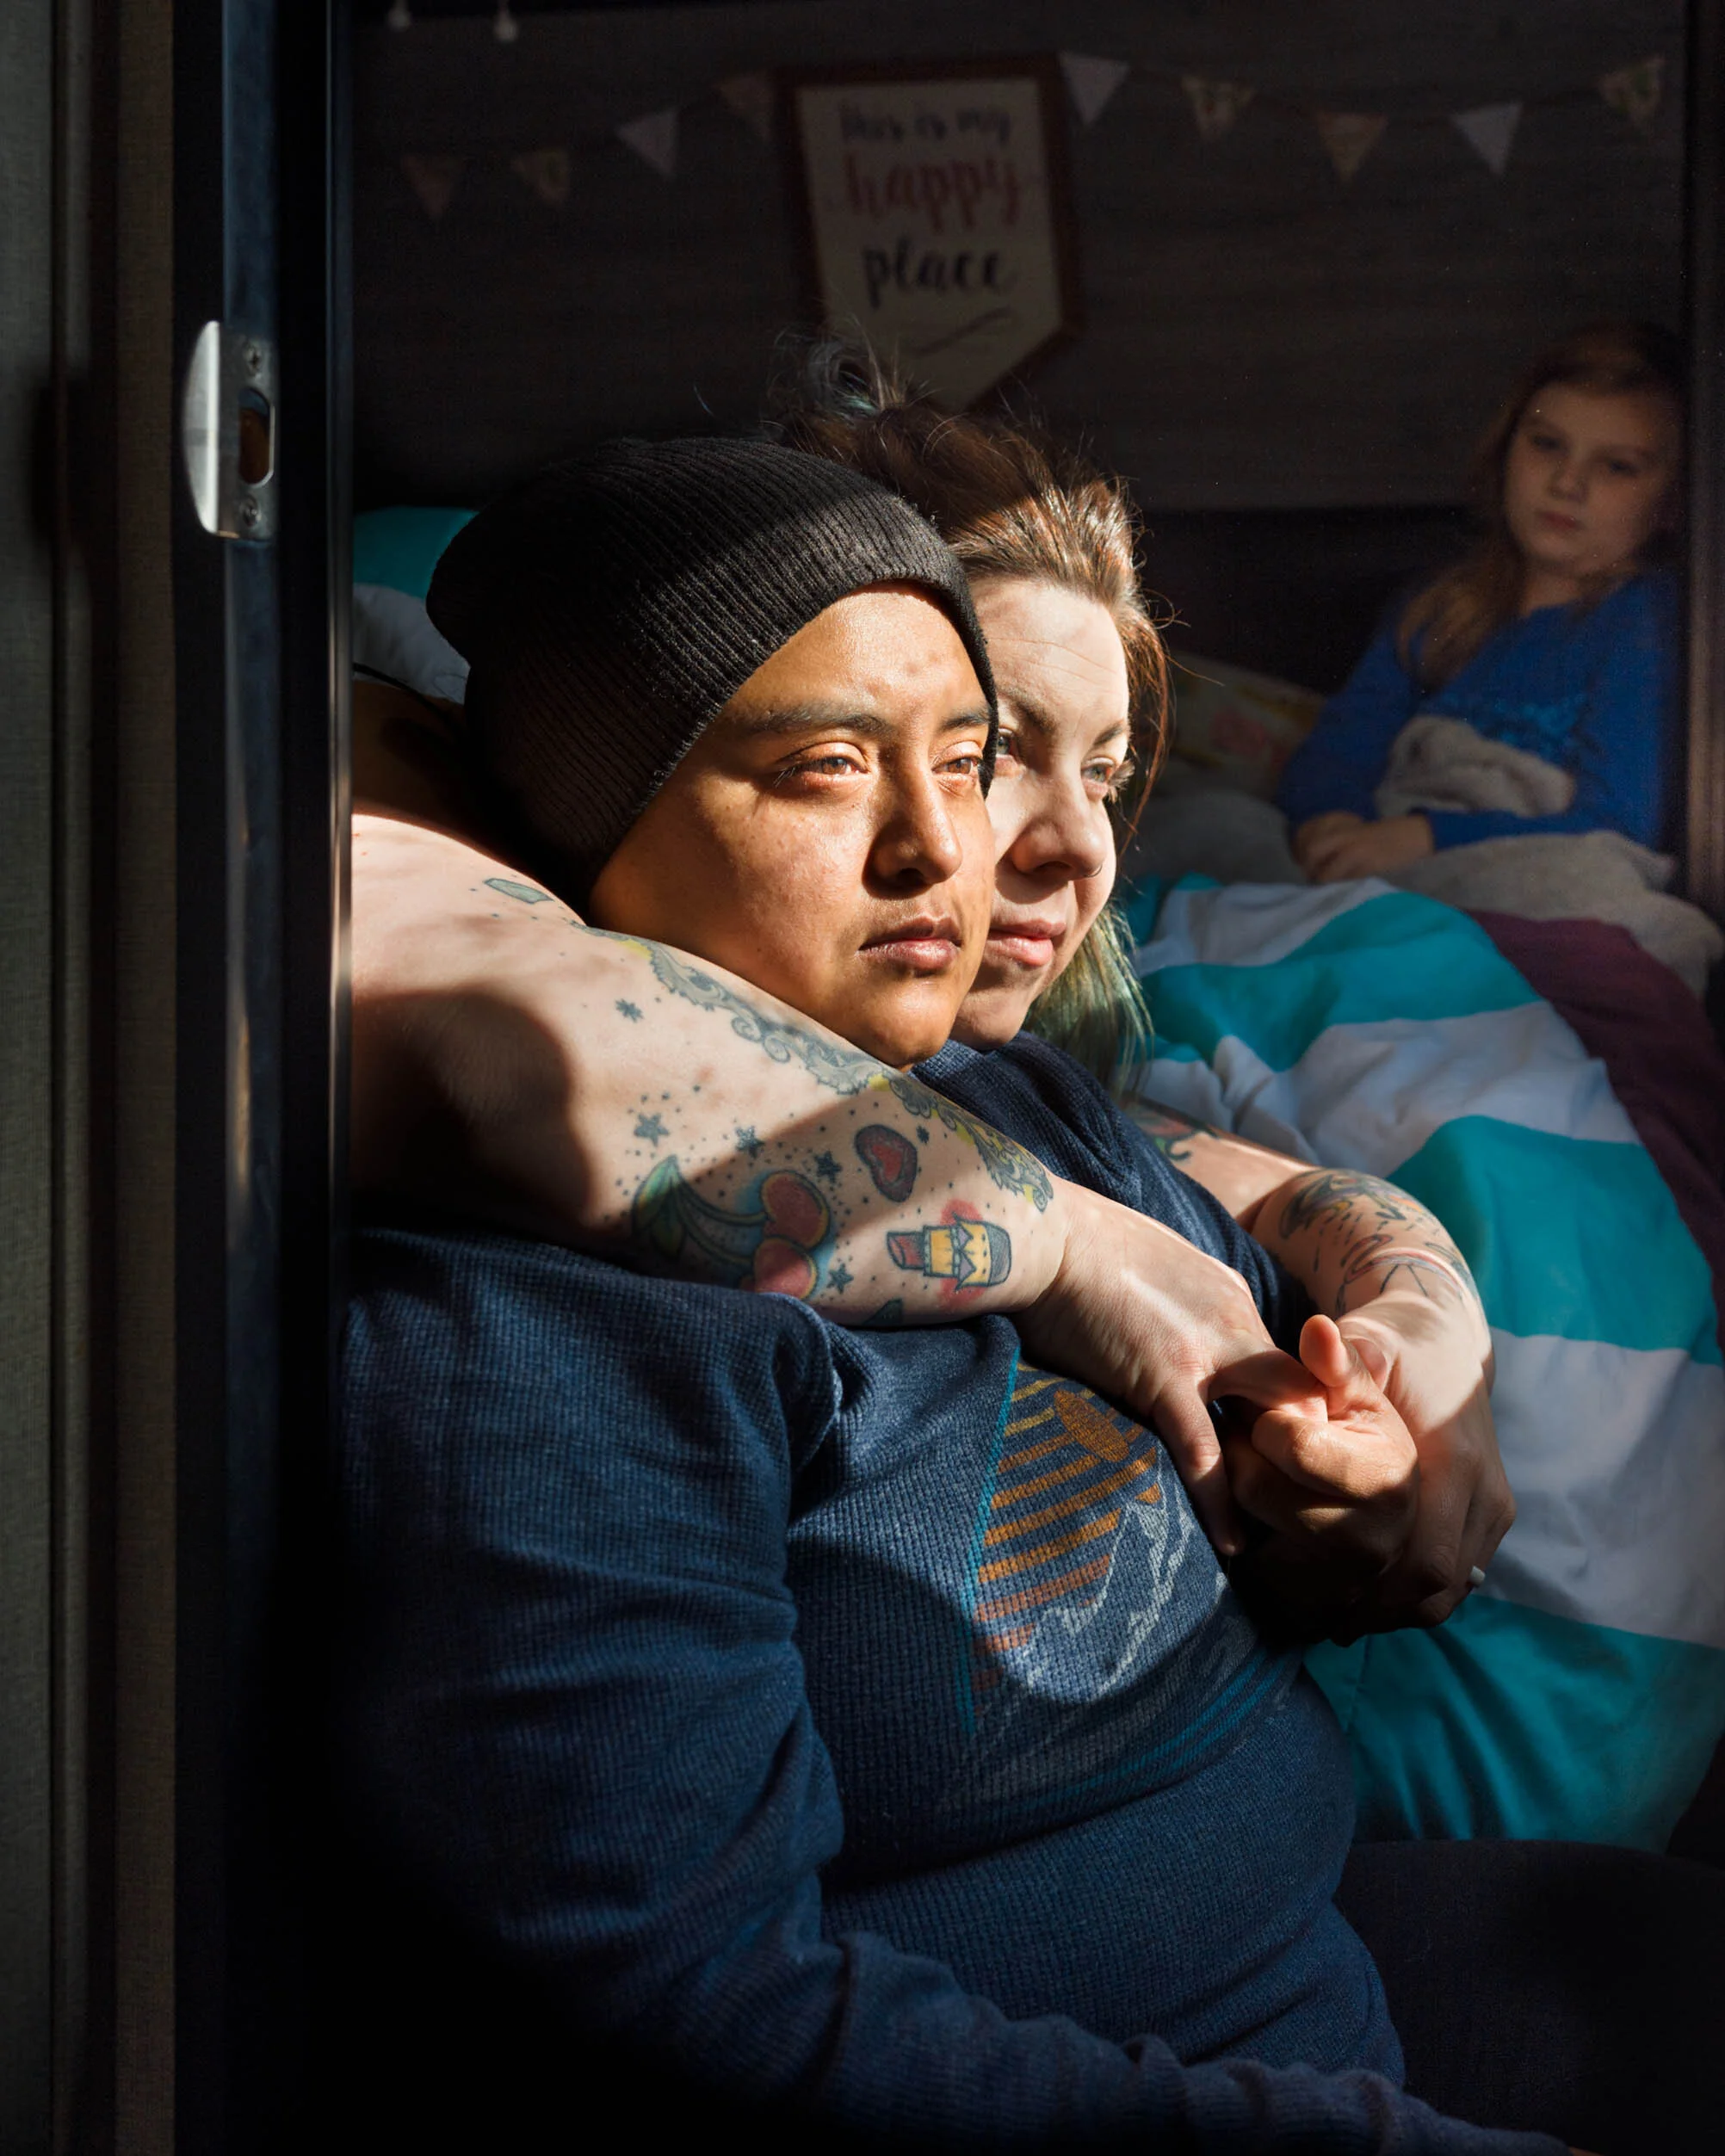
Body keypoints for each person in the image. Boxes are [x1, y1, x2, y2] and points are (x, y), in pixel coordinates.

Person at [335, 436, 1688, 2152]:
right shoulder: (546, 1326)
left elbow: (1267, 1237)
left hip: (1308, 1953)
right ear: (590, 815)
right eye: (824, 769)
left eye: (963, 760)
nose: (947, 847)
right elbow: (696, 2018)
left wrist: (1357, 1432)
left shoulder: (1003, 1090)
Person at [351, 370, 1506, 1622]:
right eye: (1002, 749)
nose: (1083, 846)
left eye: (1105, 775)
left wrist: (1428, 1337)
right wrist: (1074, 1249)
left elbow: (1251, 1187)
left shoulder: (1009, 1085)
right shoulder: (558, 1312)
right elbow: (501, 1032)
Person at [1278, 320, 1684, 884]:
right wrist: (1331, 822)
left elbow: (1619, 823)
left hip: (1519, 865)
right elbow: (1340, 747)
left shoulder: (1648, 624)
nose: (1567, 483)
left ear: (1670, 501)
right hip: (1381, 850)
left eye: (1616, 466)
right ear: (1506, 448)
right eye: (1547, 444)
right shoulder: (1437, 608)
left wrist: (1425, 838)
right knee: (1213, 825)